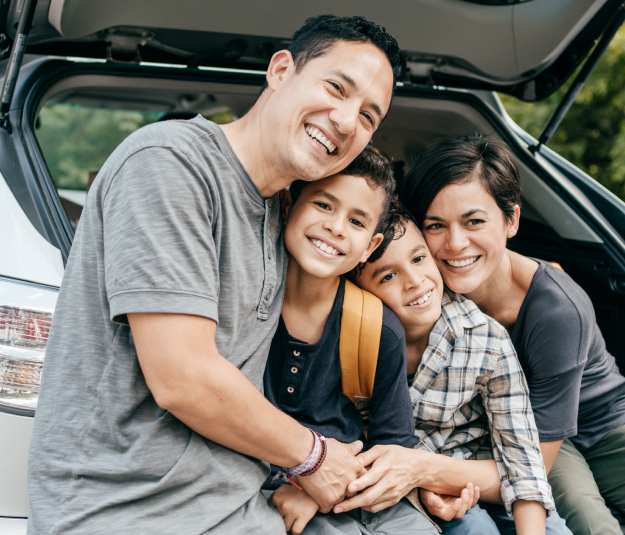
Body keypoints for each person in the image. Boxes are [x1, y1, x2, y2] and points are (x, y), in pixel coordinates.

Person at [26, 15, 404, 535]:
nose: (345, 120)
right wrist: (315, 459)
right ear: (280, 70)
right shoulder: (169, 164)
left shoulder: (286, 218)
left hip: (244, 510)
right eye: (336, 87)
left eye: (368, 117)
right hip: (126, 514)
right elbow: (184, 379)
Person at [396, 135, 625, 535]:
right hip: (512, 431)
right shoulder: (421, 290)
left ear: (511, 221)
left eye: (474, 221)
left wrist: (426, 471)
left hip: (596, 428)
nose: (455, 244)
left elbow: (532, 467)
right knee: (587, 519)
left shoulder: (556, 311)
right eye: (435, 225)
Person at [263, 148, 439, 535]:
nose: (336, 227)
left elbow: (394, 449)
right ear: (288, 202)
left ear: (371, 246)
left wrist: (318, 490)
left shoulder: (377, 328)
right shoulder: (247, 306)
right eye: (324, 205)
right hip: (254, 487)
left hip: (349, 488)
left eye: (356, 221)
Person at [354, 212, 557, 535]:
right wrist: (422, 490)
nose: (415, 280)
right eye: (387, 276)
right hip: (404, 485)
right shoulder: (354, 345)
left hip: (475, 467)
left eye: (419, 258)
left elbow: (522, 457)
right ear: (358, 292)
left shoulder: (483, 337)